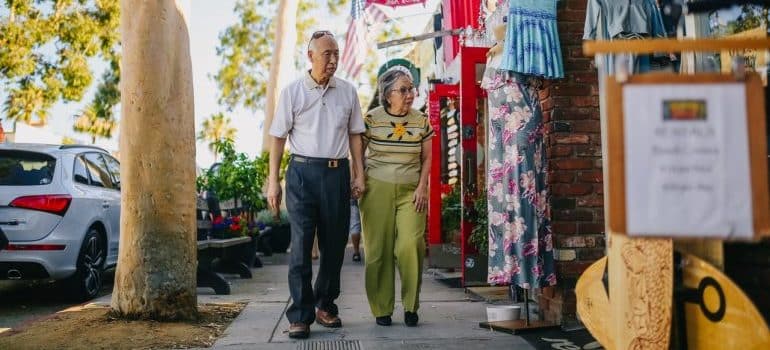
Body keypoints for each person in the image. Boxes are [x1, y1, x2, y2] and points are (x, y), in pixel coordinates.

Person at [267, 30, 365, 339]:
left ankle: (325, 304)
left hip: (337, 175)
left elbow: (355, 135)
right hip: (301, 174)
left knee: (335, 247)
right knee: (300, 247)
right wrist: (273, 181)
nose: (333, 59)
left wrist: (359, 172)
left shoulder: (348, 92)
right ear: (311, 56)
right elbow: (278, 137)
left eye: (336, 53)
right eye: (327, 54)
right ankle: (300, 315)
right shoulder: (293, 92)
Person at [359, 69, 433, 327]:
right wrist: (358, 177)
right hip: (376, 189)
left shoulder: (421, 121)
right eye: (403, 90)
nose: (410, 94)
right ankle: (382, 308)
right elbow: (358, 151)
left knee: (410, 246)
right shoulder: (371, 119)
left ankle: (411, 306)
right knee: (377, 250)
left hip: (411, 190)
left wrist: (423, 186)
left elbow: (427, 158)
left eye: (411, 88)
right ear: (388, 95)